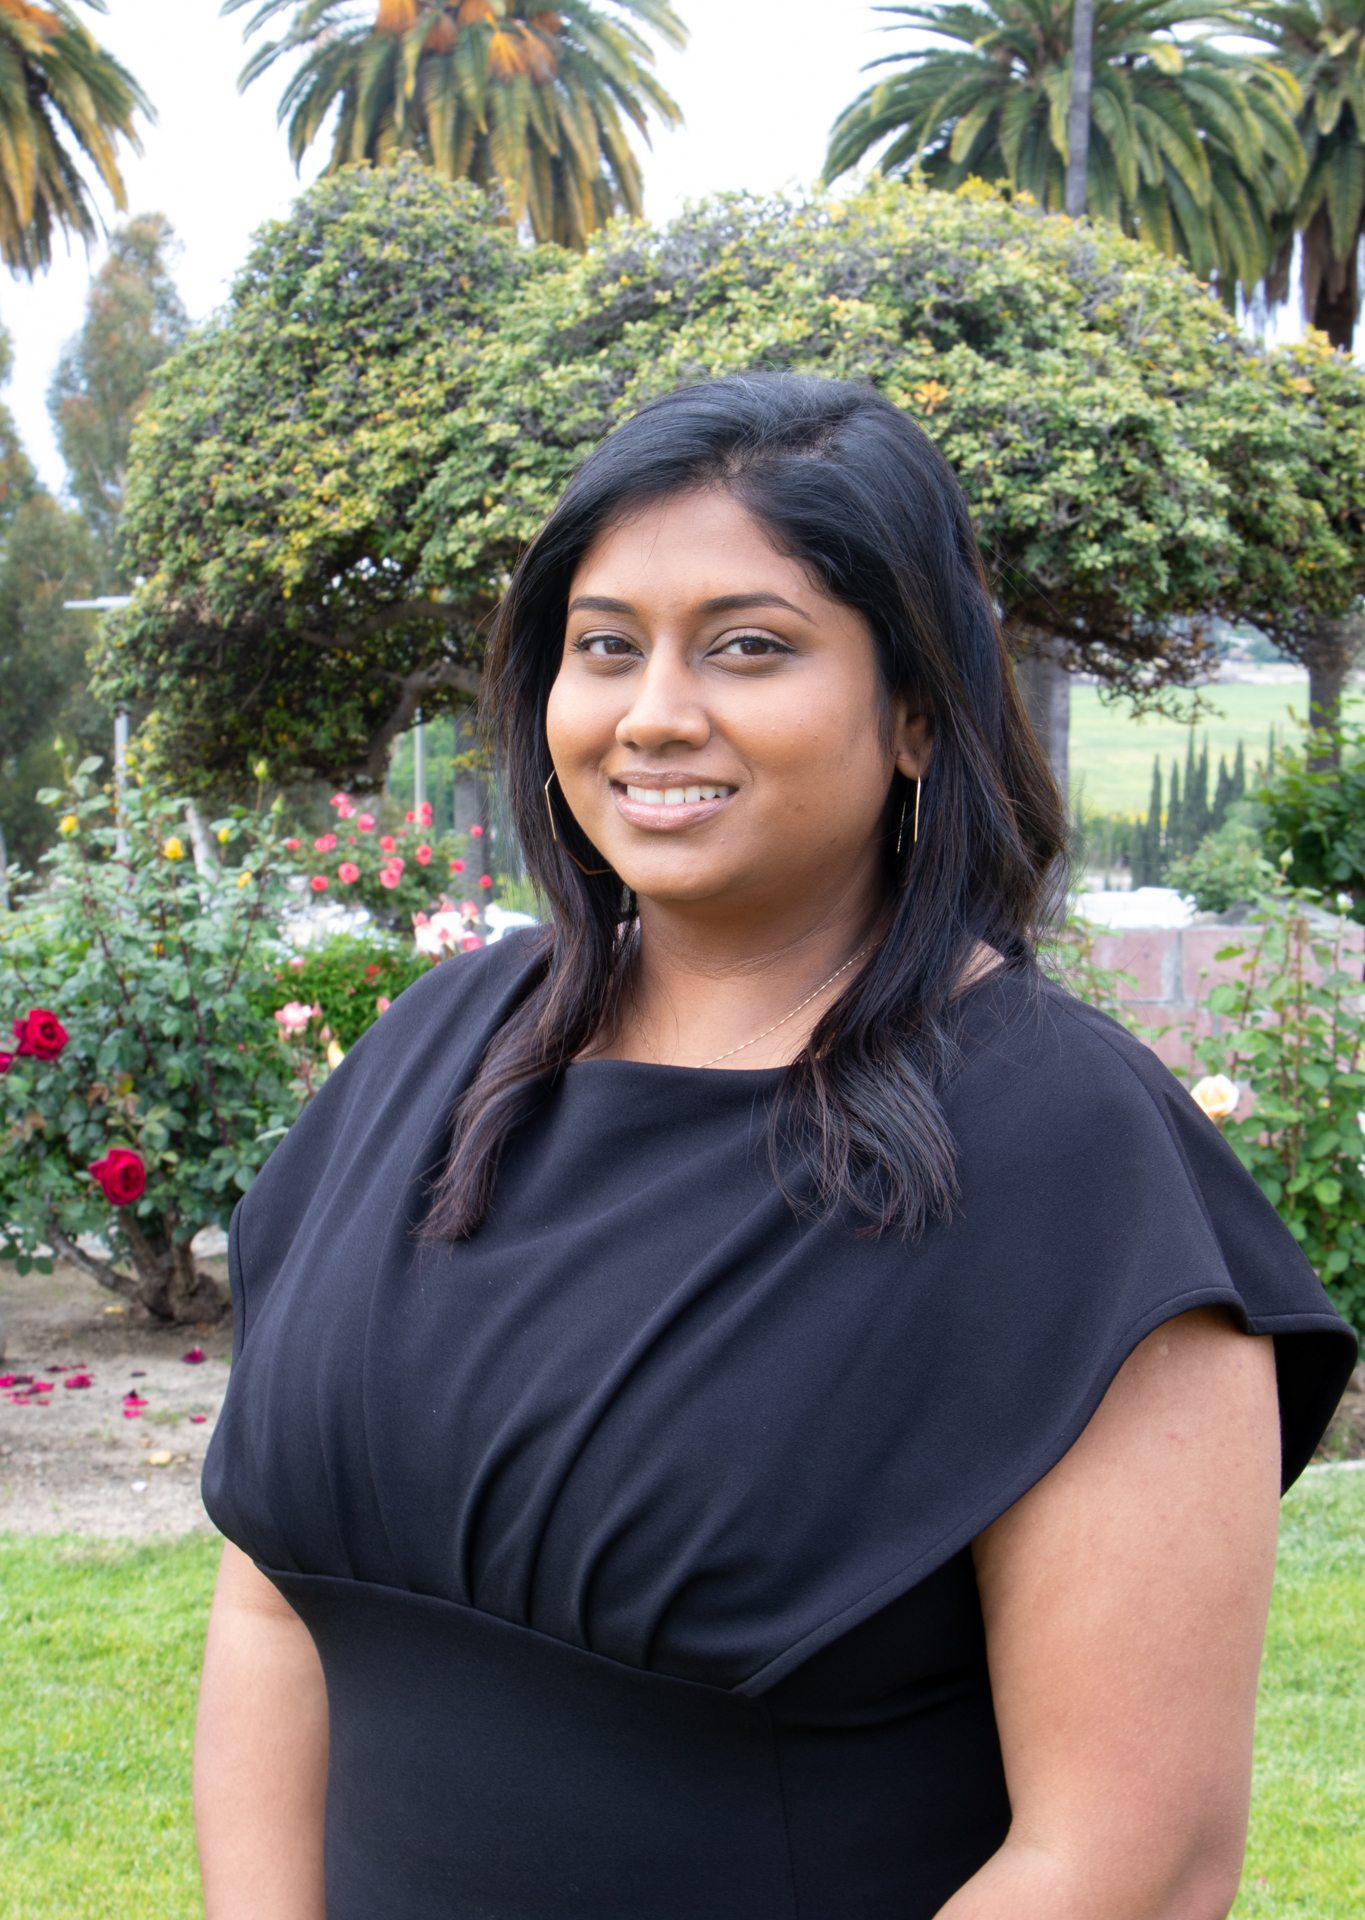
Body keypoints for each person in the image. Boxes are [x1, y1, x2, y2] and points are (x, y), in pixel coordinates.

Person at [194, 373, 1355, 1920]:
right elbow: (281, 1605)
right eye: (605, 646)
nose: (654, 710)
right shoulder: (433, 1054)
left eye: (749, 646)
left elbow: (1129, 1865)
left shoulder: (1067, 1162)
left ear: (919, 714)